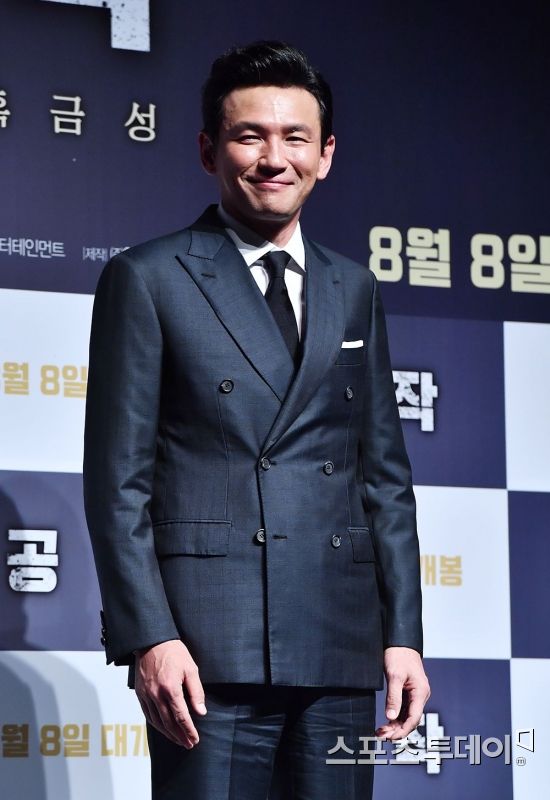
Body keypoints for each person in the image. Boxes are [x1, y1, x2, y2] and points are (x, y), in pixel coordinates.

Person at [83, 40, 430, 800]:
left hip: (338, 642)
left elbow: (384, 478)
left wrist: (402, 634)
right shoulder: (148, 277)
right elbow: (117, 482)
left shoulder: (353, 286)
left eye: (296, 137)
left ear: (326, 155)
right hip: (207, 648)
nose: (275, 158)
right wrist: (150, 635)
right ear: (210, 150)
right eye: (250, 136)